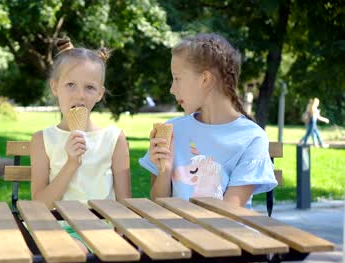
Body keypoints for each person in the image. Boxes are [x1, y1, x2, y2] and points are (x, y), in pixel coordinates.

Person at [139, 33, 277, 208]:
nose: (172, 89)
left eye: (177, 78)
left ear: (205, 79)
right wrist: (164, 170)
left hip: (225, 233)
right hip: (177, 232)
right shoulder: (171, 130)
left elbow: (230, 211)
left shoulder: (252, 138)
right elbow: (159, 205)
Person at [30, 38, 131, 251]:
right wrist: (71, 164)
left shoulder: (114, 139)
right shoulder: (42, 140)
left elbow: (124, 208)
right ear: (54, 86)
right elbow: (39, 207)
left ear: (100, 94)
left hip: (101, 232)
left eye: (89, 87)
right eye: (70, 85)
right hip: (57, 230)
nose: (80, 95)